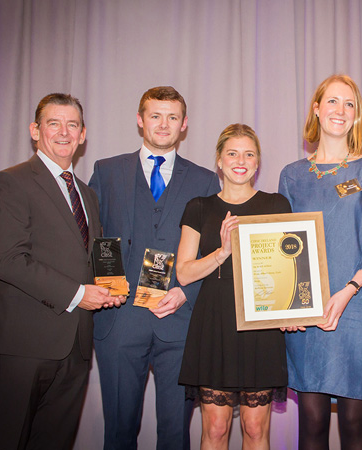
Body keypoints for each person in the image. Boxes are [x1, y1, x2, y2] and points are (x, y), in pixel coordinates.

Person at [0, 93, 125, 449]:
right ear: (35, 130)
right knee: (10, 439)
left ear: (83, 134)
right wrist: (78, 294)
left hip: (75, 343)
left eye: (72, 125)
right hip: (26, 339)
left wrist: (110, 285)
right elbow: (9, 260)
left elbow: (90, 256)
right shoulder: (11, 182)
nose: (63, 132)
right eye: (53, 123)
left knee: (55, 442)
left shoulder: (87, 194)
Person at [89, 86, 220, 450]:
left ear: (184, 124)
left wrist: (185, 292)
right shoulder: (107, 171)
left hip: (179, 322)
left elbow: (215, 252)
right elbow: (90, 240)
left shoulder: (205, 180)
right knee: (118, 431)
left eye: (172, 117)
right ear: (140, 119)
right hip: (119, 320)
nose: (164, 124)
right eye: (155, 115)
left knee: (176, 433)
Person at [278, 74, 362, 450]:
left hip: (356, 309)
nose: (340, 110)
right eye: (332, 101)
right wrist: (287, 307)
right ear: (316, 109)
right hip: (308, 313)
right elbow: (283, 247)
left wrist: (347, 292)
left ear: (356, 116)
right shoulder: (292, 175)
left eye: (349, 104)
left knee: (354, 425)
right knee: (312, 423)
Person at [176, 123, 290, 449]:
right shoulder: (198, 207)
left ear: (257, 163)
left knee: (256, 429)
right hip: (214, 323)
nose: (240, 160)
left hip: (261, 325)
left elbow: (291, 270)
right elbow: (183, 273)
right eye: (232, 153)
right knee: (215, 429)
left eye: (249, 154)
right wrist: (223, 252)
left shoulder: (276, 205)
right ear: (219, 160)